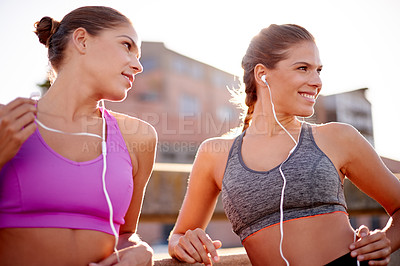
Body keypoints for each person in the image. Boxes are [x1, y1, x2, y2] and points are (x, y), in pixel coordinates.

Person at [168, 24, 400, 266]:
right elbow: (179, 235)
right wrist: (183, 243)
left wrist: (385, 241)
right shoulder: (215, 154)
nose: (317, 81)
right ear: (262, 74)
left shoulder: (338, 137)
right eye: (303, 68)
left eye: (319, 70)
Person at [0, 6, 156, 266]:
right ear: (82, 40)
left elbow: (125, 234)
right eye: (126, 45)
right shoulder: (7, 122)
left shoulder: (138, 138)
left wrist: (141, 252)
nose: (138, 66)